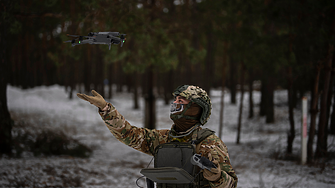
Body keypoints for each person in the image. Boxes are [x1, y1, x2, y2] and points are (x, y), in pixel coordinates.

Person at [77, 85, 238, 188]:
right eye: (175, 100)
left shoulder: (209, 144)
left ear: (195, 109)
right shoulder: (164, 139)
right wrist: (106, 108)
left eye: (180, 100)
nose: (175, 103)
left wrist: (217, 177)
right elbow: (129, 134)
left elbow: (231, 184)